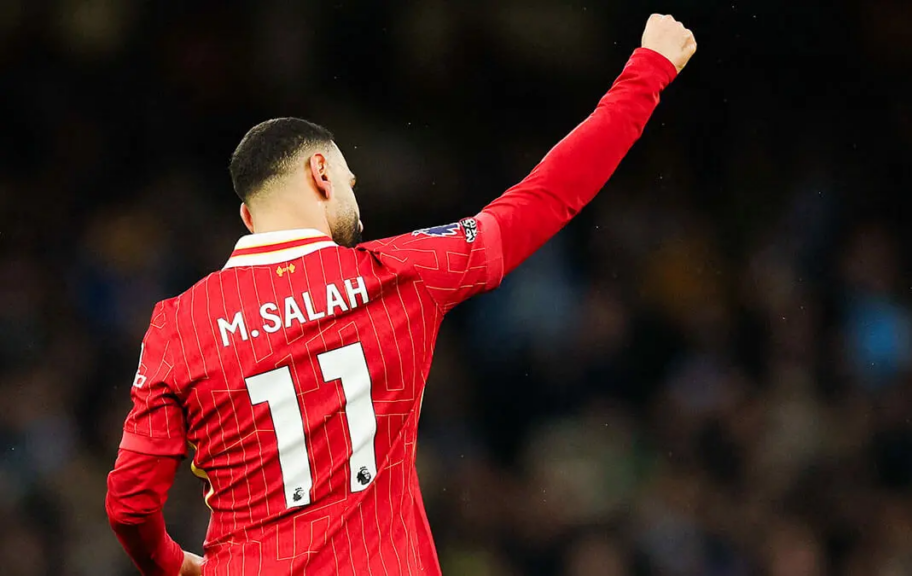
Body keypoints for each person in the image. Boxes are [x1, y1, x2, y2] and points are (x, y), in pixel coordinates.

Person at [105, 14, 696, 576]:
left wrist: (173, 564)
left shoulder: (178, 324)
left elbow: (129, 502)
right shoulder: (395, 274)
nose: (355, 190)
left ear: (247, 217)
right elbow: (546, 196)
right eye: (349, 177)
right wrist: (647, 71)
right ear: (321, 173)